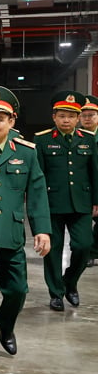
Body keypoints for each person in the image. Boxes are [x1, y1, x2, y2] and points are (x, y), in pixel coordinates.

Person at [0, 86, 51, 373]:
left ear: (12, 121)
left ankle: (4, 324)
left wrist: (43, 229)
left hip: (11, 232)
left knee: (17, 289)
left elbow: (38, 191)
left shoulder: (27, 153)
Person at [34, 90, 98, 311]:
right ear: (54, 117)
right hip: (52, 203)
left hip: (82, 202)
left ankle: (70, 282)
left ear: (78, 118)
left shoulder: (88, 140)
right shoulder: (41, 140)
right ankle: (56, 293)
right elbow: (38, 176)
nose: (66, 120)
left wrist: (96, 201)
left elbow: (95, 171)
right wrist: (38, 206)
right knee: (53, 250)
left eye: (71, 116)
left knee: (83, 245)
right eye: (62, 115)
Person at [79, 95, 98, 268]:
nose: (87, 118)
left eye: (91, 115)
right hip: (83, 187)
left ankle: (92, 253)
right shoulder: (78, 137)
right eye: (83, 115)